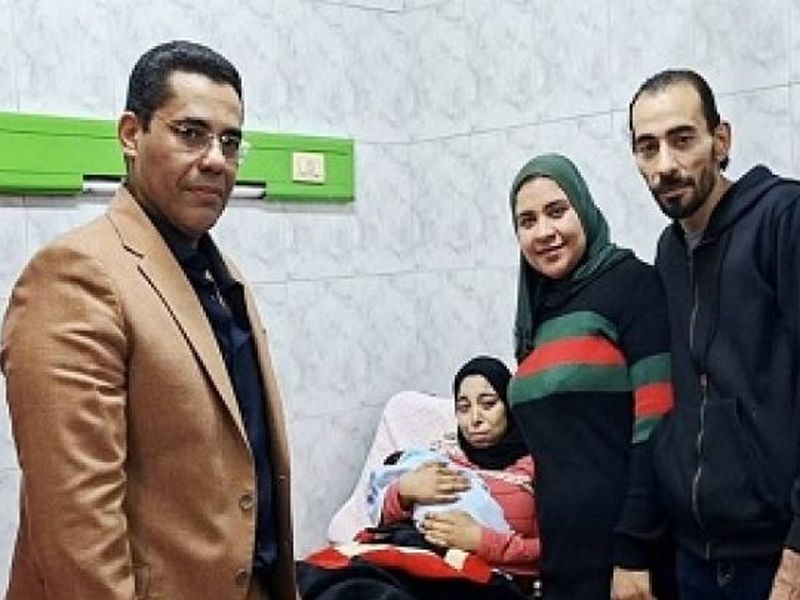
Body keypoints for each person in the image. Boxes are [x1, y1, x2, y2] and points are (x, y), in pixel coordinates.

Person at [1, 40, 297, 599]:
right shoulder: (75, 276)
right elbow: (78, 532)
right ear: (131, 135)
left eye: (230, 141)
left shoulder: (218, 275)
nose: (216, 158)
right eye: (191, 133)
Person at [625, 68, 800, 599]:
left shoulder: (782, 218)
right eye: (648, 148)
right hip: (695, 557)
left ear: (720, 141)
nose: (665, 165)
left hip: (776, 556)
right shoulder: (668, 251)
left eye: (682, 140)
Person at [506, 153, 675, 599]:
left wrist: (634, 553)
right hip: (563, 555)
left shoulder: (632, 285)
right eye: (527, 221)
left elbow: (657, 428)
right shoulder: (537, 313)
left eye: (556, 211)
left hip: (629, 555)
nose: (544, 231)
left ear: (583, 208)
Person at [298, 356, 539, 599]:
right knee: (337, 581)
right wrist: (404, 491)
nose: (474, 419)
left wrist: (483, 542)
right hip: (410, 557)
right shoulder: (442, 454)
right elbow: (380, 520)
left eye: (488, 404)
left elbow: (554, 554)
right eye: (463, 408)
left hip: (477, 580)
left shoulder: (536, 467)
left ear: (509, 406)